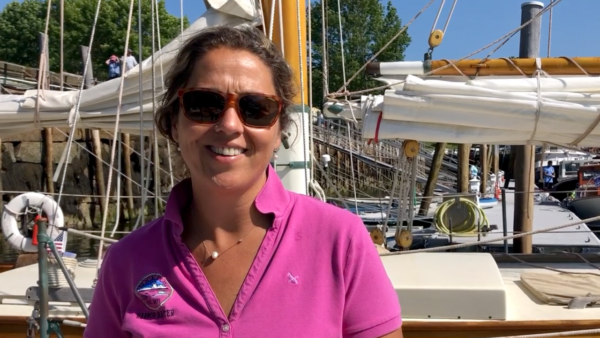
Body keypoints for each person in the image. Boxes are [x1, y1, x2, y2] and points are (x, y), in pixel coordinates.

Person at [84, 25, 402, 338]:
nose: (230, 124)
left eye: (256, 109)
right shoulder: (125, 262)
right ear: (174, 123)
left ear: (278, 132)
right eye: (205, 104)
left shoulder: (341, 241)